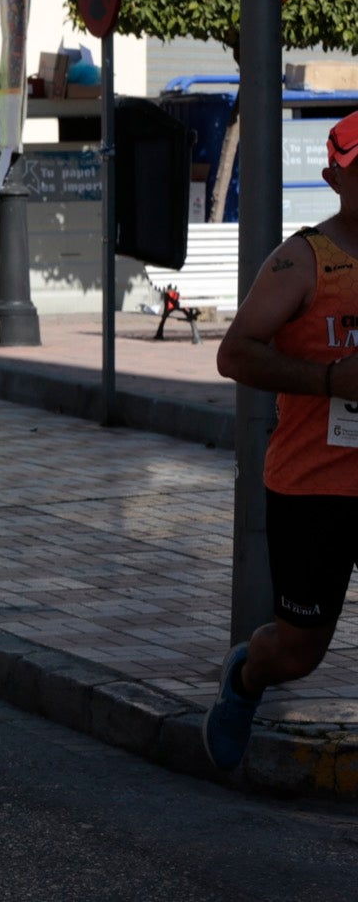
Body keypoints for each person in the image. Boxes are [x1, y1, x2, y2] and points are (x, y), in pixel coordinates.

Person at [202, 111, 358, 771]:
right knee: (299, 650)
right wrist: (329, 378)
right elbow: (235, 353)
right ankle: (246, 677)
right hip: (314, 486)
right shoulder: (304, 259)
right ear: (333, 177)